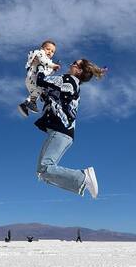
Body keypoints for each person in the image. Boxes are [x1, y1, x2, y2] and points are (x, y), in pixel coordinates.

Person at [35, 59, 107, 197]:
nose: (71, 64)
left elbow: (41, 81)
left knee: (45, 168)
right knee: (42, 172)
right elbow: (48, 93)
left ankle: (83, 177)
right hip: (63, 133)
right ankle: (82, 182)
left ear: (79, 70)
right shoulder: (73, 84)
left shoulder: (68, 79)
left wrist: (40, 66)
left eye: (75, 63)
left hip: (60, 131)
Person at [18, 40, 60, 117]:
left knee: (37, 92)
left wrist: (53, 70)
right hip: (33, 77)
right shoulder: (39, 53)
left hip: (36, 79)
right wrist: (53, 65)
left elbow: (47, 73)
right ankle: (37, 99)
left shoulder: (48, 62)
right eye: (48, 49)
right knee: (40, 89)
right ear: (42, 48)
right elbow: (43, 60)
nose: (50, 52)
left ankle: (25, 106)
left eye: (52, 51)